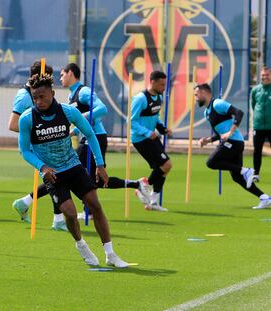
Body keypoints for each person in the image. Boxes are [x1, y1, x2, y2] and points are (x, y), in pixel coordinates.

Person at [19, 73, 129, 267]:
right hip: (52, 173)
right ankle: (81, 245)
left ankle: (110, 254)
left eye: (42, 96)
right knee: (70, 213)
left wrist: (100, 165)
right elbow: (25, 151)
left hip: (73, 166)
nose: (38, 101)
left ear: (52, 93)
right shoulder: (27, 119)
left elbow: (90, 134)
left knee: (95, 205)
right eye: (35, 97)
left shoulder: (69, 112)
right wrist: (42, 167)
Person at [60, 63, 151, 219]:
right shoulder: (71, 96)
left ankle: (87, 211)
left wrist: (81, 118)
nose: (60, 78)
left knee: (73, 171)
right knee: (98, 180)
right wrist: (74, 131)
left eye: (62, 74)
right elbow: (89, 120)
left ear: (70, 73)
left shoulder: (84, 92)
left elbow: (102, 109)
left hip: (96, 138)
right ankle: (137, 184)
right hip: (87, 137)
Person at [8, 61, 67, 231]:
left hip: (46, 143)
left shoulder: (38, 95)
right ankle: (54, 218)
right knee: (56, 177)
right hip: (35, 146)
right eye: (49, 78)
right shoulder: (24, 96)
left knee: (56, 178)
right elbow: (13, 124)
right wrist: (38, 131)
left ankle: (51, 216)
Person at [194, 83, 271, 209]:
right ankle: (264, 198)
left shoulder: (218, 103)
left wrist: (230, 132)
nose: (196, 98)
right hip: (231, 142)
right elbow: (221, 133)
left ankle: (246, 170)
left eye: (196, 95)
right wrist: (208, 140)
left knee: (211, 162)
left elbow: (239, 113)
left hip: (234, 142)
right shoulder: (206, 113)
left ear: (204, 92)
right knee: (237, 177)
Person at [130, 70, 172, 212]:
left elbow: (155, 117)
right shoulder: (140, 99)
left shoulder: (158, 98)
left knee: (162, 169)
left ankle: (153, 202)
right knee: (166, 164)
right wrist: (147, 132)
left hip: (151, 137)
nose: (164, 88)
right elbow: (132, 122)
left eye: (165, 84)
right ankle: (142, 187)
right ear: (152, 82)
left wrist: (162, 128)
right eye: (161, 85)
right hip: (141, 138)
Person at [250, 66, 271, 181]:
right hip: (258, 126)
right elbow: (253, 105)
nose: (265, 77)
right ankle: (256, 174)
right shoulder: (255, 90)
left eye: (267, 75)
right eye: (263, 75)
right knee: (257, 151)